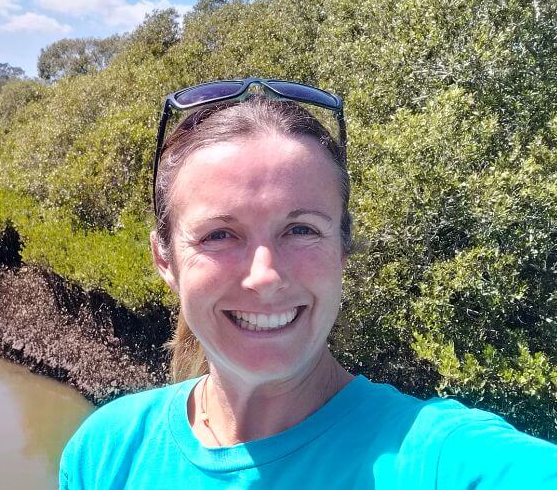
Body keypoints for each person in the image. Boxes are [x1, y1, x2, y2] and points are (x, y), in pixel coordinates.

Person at [58, 79, 557, 489]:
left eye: (301, 230)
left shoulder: (440, 459)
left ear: (343, 248)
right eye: (219, 234)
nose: (265, 276)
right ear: (164, 259)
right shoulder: (105, 450)